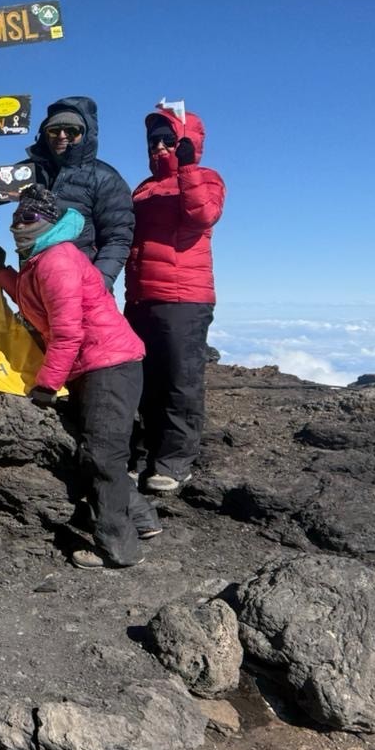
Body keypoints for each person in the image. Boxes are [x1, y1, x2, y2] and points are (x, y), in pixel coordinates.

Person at [0, 185, 158, 569]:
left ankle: (119, 549)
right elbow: (30, 299)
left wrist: (47, 384)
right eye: (17, 217)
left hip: (108, 365)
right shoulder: (40, 260)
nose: (19, 224)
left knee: (101, 456)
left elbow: (68, 333)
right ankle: (143, 520)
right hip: (95, 365)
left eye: (29, 217)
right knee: (99, 450)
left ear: (49, 221)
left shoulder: (57, 260)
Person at [125, 103, 227, 495]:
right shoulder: (143, 189)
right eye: (153, 141)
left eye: (168, 139)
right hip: (141, 297)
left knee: (180, 381)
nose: (159, 147)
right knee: (143, 381)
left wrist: (186, 167)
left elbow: (203, 215)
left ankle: (174, 463)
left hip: (184, 298)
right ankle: (144, 456)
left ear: (187, 141)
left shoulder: (205, 178)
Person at [23, 96, 134, 290]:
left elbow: (117, 239)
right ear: (44, 134)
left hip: (84, 292)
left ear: (85, 134)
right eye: (54, 130)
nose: (62, 136)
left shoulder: (105, 179)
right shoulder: (28, 173)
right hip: (36, 291)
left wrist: (96, 286)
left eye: (72, 131)